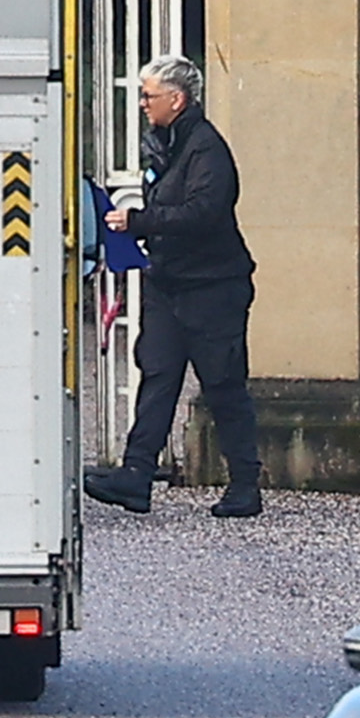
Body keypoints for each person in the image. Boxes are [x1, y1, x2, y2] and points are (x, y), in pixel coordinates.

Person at [84, 56, 261, 518]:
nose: (142, 103)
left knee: (223, 384)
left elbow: (203, 212)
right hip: (170, 281)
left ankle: (246, 484)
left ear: (176, 100)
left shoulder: (205, 148)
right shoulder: (166, 144)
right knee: (159, 375)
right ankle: (136, 475)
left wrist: (139, 221)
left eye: (149, 95)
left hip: (212, 286)